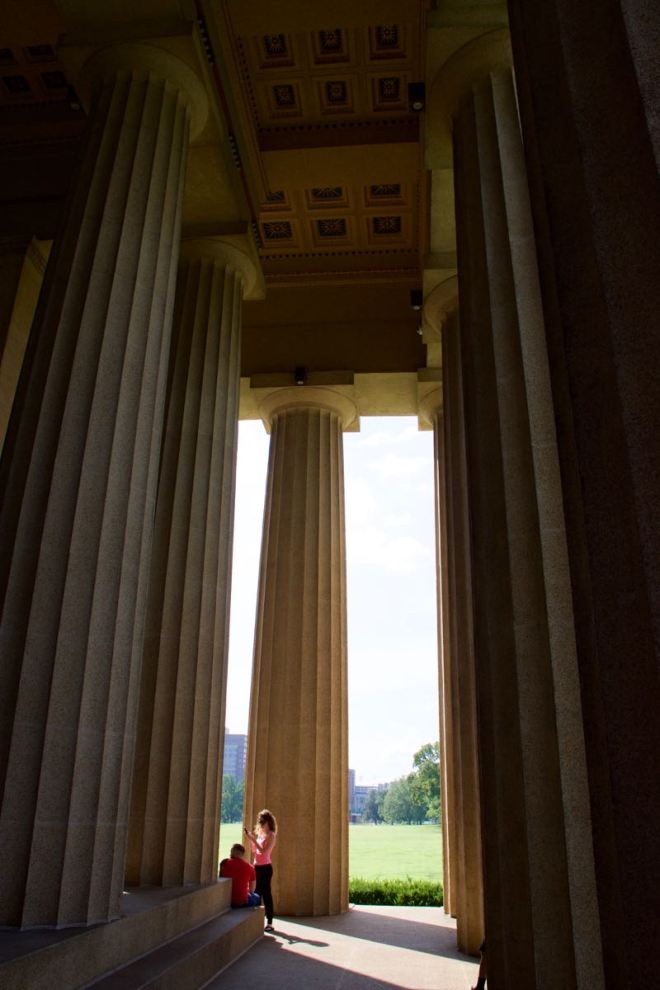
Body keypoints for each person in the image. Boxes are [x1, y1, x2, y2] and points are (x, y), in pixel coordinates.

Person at [244, 809, 277, 932]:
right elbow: (255, 851)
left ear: (268, 822)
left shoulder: (271, 835)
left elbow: (264, 852)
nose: (261, 824)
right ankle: (257, 920)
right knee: (257, 892)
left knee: (266, 893)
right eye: (260, 821)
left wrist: (253, 840)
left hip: (266, 867)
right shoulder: (261, 834)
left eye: (262, 821)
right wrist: (251, 839)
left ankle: (269, 921)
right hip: (257, 866)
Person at [219, 844, 261, 909]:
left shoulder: (224, 864)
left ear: (232, 852)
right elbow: (252, 889)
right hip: (241, 902)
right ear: (242, 854)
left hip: (226, 900)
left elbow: (221, 879)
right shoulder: (250, 867)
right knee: (257, 897)